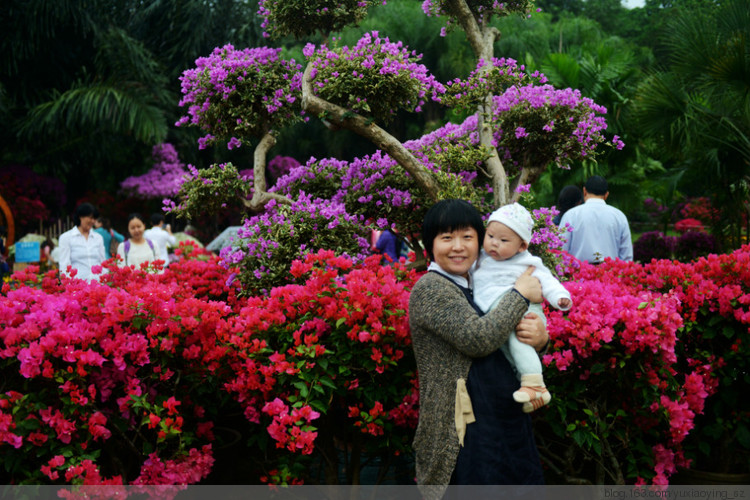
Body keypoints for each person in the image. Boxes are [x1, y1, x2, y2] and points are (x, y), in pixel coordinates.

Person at [409, 199, 549, 491]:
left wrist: (539, 338)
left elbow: (507, 336)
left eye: (467, 237)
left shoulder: (479, 282)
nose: (458, 246)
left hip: (502, 419)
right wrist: (519, 294)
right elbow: (478, 338)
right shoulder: (431, 288)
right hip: (463, 430)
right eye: (447, 237)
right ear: (430, 245)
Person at [472, 203, 572, 413]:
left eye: (503, 240)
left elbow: (547, 281)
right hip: (502, 312)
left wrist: (560, 297)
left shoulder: (527, 262)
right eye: (490, 236)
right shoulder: (481, 258)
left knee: (518, 341)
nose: (494, 244)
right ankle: (532, 389)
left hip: (525, 312)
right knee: (508, 349)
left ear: (522, 246)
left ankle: (534, 382)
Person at [559, 176, 633, 263]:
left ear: (584, 191)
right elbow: (626, 255)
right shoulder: (619, 216)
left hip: (578, 273)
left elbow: (561, 250)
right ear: (606, 195)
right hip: (610, 273)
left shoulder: (571, 215)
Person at [57, 203, 106, 281]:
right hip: (77, 286)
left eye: (94, 218)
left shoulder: (98, 238)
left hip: (98, 286)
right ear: (81, 217)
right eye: (90, 218)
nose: (93, 221)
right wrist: (69, 287)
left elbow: (103, 263)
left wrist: (104, 282)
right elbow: (64, 265)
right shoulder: (66, 238)